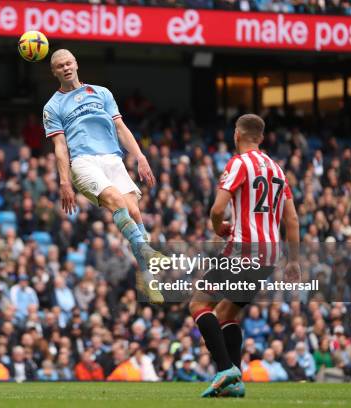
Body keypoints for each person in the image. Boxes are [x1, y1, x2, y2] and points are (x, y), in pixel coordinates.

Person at [189, 114, 300, 397]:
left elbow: (217, 209)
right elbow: (292, 220)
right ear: (261, 138)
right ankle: (235, 384)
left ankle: (226, 368)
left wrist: (218, 227)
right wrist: (294, 260)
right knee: (227, 312)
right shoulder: (277, 170)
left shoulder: (238, 164)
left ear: (237, 134)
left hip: (244, 248)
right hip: (270, 255)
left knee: (199, 302)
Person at [43, 49, 165, 303]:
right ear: (54, 72)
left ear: (76, 64)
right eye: (59, 66)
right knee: (117, 202)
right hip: (83, 162)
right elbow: (60, 147)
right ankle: (147, 251)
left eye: (68, 63)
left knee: (134, 212)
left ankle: (148, 280)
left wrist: (140, 157)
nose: (65, 68)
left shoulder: (101, 93)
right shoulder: (52, 107)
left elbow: (121, 127)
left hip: (112, 157)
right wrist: (65, 181)